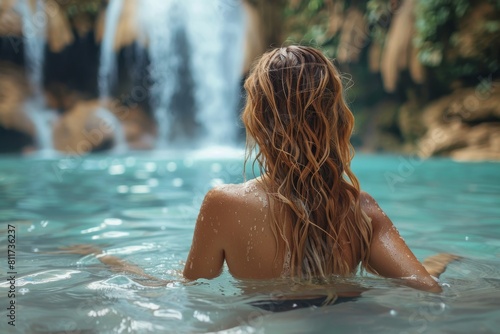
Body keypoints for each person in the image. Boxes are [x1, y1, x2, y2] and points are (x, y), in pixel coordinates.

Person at [60, 46, 457, 300]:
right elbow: (426, 288)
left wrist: (112, 262)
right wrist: (437, 262)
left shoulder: (224, 204)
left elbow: (185, 292)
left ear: (258, 123)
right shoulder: (360, 211)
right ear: (337, 120)